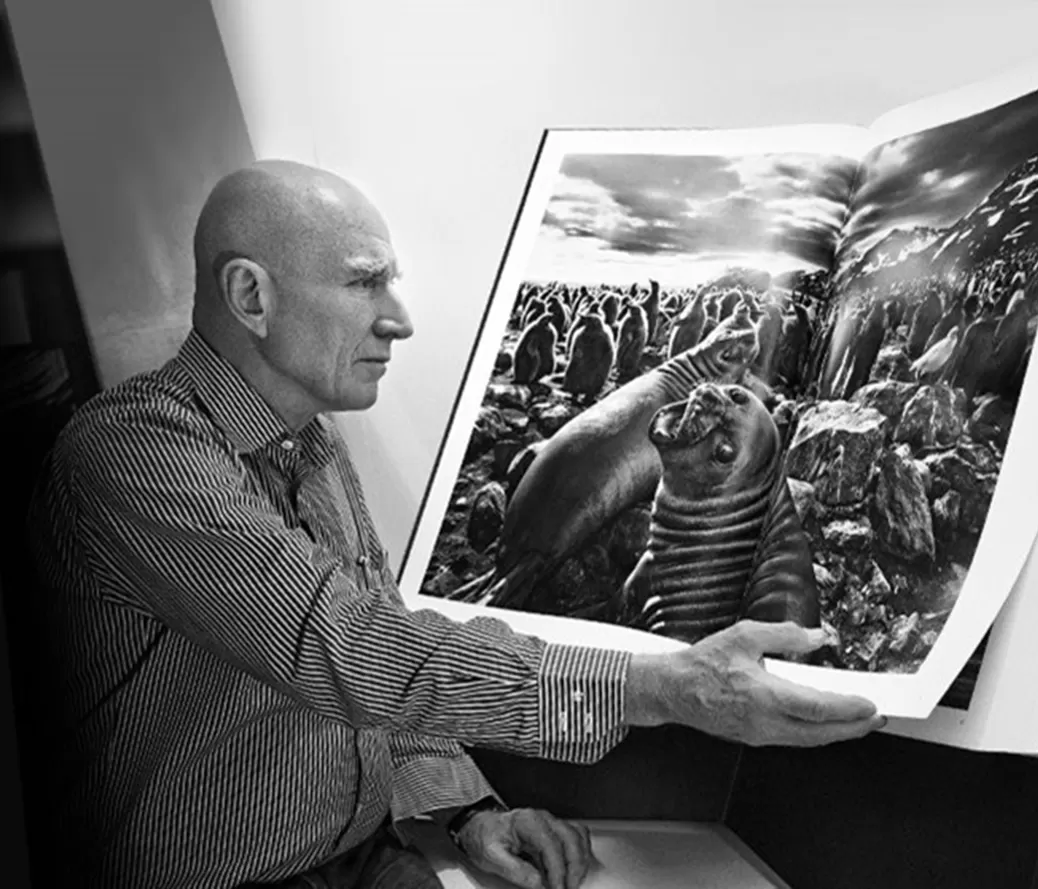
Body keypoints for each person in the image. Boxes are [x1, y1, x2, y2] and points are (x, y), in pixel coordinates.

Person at [21, 159, 884, 889]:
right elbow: (355, 649)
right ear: (251, 295)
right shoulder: (132, 454)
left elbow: (388, 647)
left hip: (364, 854)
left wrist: (467, 808)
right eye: (365, 281)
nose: (398, 317)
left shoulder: (310, 442)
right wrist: (655, 685)